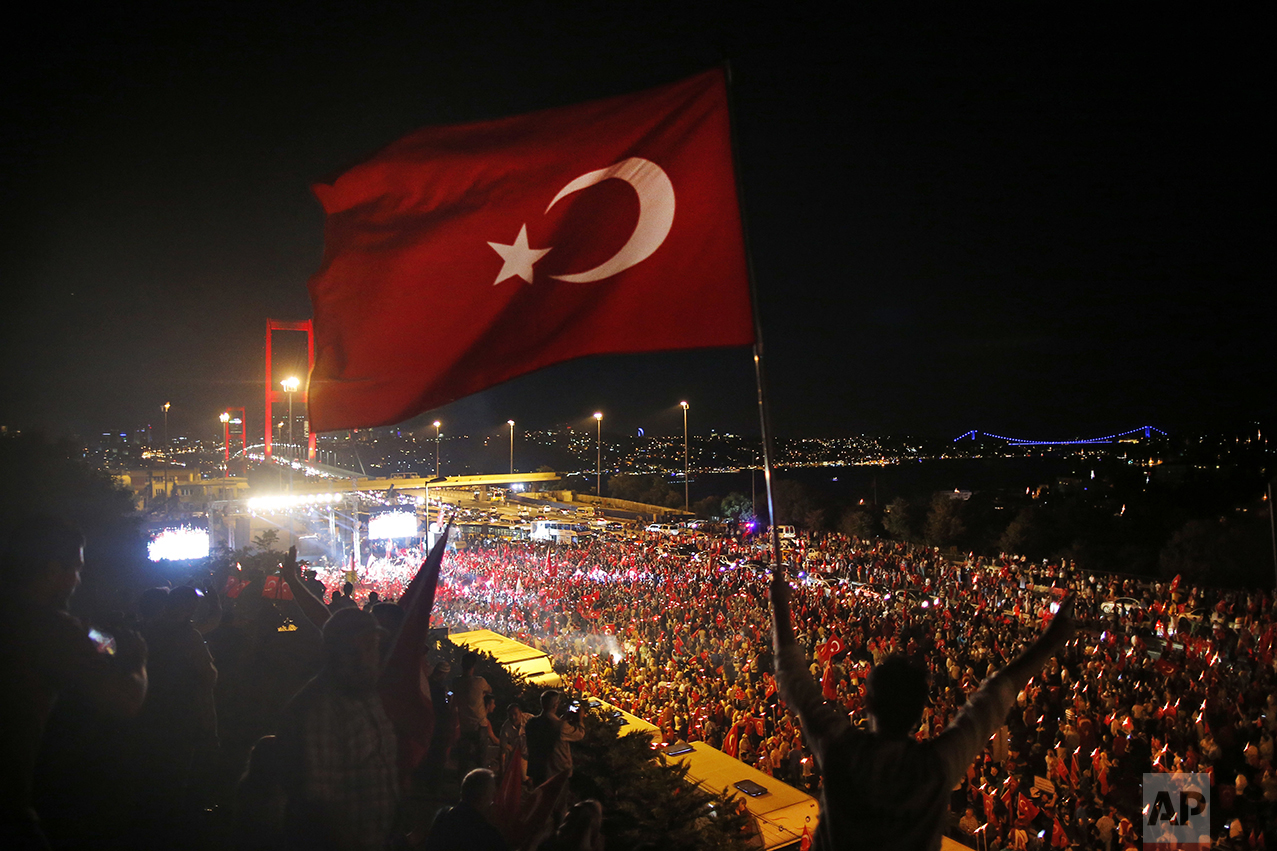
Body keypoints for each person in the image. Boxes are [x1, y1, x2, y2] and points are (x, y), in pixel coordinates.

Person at [770, 572, 1075, 851]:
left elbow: (791, 675)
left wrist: (780, 606)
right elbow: (996, 694)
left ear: (868, 704)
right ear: (918, 714)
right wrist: (1051, 640)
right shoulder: (935, 767)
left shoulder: (841, 749)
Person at [0, 516, 148, 849]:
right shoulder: (49, 627)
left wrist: (100, 638)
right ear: (52, 570)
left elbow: (96, 638)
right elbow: (127, 700)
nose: (78, 580)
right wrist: (137, 661)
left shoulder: (33, 620)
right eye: (76, 570)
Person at [277, 607, 398, 851]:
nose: (375, 655)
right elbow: (319, 805)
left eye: (374, 646)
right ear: (344, 651)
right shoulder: (320, 708)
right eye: (368, 646)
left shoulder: (365, 694)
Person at [421, 767, 509, 851]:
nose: (492, 800)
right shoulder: (487, 833)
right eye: (491, 795)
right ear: (483, 797)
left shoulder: (442, 817)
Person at [525, 690, 585, 787]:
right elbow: (579, 734)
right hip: (557, 774)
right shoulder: (560, 727)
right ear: (555, 705)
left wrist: (562, 720)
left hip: (537, 771)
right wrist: (580, 719)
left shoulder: (531, 722)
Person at [453, 651, 492, 775]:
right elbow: (489, 689)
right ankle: (483, 786)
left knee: (463, 760)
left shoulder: (456, 682)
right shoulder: (479, 682)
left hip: (465, 726)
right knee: (481, 760)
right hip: (480, 725)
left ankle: (462, 785)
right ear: (474, 666)